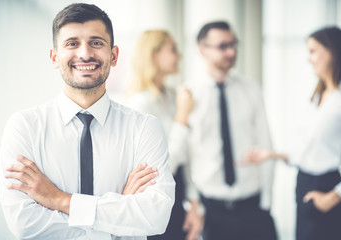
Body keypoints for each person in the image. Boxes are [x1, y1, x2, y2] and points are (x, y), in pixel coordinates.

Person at [0, 3, 175, 240]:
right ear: (54, 57)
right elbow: (25, 224)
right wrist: (119, 214)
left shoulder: (144, 128)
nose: (84, 53)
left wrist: (58, 200)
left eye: (96, 42)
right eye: (72, 43)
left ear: (114, 56)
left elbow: (155, 216)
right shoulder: (24, 127)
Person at [242, 26, 341, 240]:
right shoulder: (318, 96)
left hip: (327, 188)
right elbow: (308, 151)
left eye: (313, 51)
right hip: (304, 184)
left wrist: (334, 196)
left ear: (333, 51)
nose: (309, 59)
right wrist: (271, 154)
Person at [186, 21, 277, 240]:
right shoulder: (188, 94)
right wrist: (193, 204)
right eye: (223, 46)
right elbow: (189, 156)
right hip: (213, 211)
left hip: (253, 207)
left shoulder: (251, 89)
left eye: (234, 44)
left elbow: (266, 145)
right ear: (202, 50)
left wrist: (266, 203)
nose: (232, 51)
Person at [125, 30, 203, 240]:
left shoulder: (173, 97)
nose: (180, 56)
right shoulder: (140, 104)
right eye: (173, 50)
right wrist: (182, 117)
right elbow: (161, 166)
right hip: (155, 203)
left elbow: (187, 154)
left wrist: (194, 203)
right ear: (153, 55)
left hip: (178, 199)